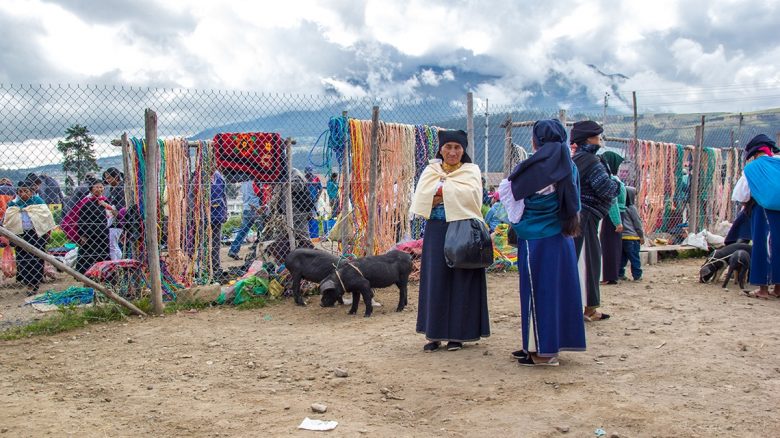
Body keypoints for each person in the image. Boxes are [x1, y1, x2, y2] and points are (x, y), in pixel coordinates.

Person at [499, 119, 585, 366]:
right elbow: (574, 204)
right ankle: (545, 345)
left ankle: (544, 353)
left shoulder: (534, 168)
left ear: (536, 141)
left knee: (538, 293)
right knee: (559, 291)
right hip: (562, 238)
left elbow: (512, 196)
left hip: (537, 240)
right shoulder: (569, 167)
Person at [410, 129, 490, 352]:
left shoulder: (471, 171)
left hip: (462, 230)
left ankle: (458, 334)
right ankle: (433, 334)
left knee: (461, 279)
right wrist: (446, 193)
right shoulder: (430, 170)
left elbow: (472, 197)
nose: (452, 152)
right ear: (441, 149)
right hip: (436, 231)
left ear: (463, 150)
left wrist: (441, 193)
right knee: (436, 280)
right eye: (448, 147)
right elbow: (422, 197)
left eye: (457, 147)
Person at [570, 120, 620, 321]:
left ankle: (581, 307)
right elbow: (606, 189)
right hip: (587, 217)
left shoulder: (575, 160)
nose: (600, 140)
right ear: (589, 139)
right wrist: (617, 184)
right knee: (588, 261)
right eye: (598, 136)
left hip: (576, 216)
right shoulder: (592, 162)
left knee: (579, 260)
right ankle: (588, 309)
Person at [733, 134, 780, 299]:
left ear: (754, 152)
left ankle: (763, 289)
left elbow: (741, 194)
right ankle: (779, 289)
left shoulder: (753, 168)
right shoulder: (778, 162)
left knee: (762, 247)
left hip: (762, 210)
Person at [2, 180, 56, 295]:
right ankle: (29, 282)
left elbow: (46, 218)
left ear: (31, 192)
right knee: (23, 259)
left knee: (37, 258)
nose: (23, 194)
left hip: (36, 235)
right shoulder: (13, 205)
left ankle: (34, 283)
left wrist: (47, 233)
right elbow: (8, 220)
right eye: (20, 191)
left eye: (26, 191)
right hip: (20, 235)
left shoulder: (38, 202)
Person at [73, 178, 114, 274]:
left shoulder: (105, 201)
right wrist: (82, 235)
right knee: (88, 259)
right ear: (91, 188)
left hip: (103, 236)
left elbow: (112, 215)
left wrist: (106, 205)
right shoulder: (85, 202)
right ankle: (87, 278)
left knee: (102, 257)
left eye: (101, 187)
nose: (99, 189)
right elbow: (81, 220)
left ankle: (102, 276)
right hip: (89, 237)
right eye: (97, 187)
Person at [599, 151, 626, 285]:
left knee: (610, 246)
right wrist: (618, 221)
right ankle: (611, 275)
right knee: (612, 246)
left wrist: (617, 221)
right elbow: (613, 202)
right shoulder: (615, 180)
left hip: (614, 216)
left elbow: (613, 202)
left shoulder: (613, 180)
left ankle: (609, 276)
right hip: (615, 216)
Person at [228, 179, 263, 260]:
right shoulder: (257, 180)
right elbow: (261, 194)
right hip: (257, 208)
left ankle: (233, 250)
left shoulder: (244, 182)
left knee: (243, 231)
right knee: (262, 231)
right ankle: (260, 251)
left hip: (246, 208)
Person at [619, 186, 644, 282]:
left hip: (622, 237)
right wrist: (641, 236)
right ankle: (637, 275)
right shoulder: (632, 208)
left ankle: (620, 274)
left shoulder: (621, 207)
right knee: (634, 257)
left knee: (622, 257)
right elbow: (637, 223)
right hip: (632, 237)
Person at [102, 168, 125, 260]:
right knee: (113, 245)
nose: (108, 180)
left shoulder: (120, 188)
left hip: (118, 220)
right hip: (113, 219)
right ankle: (118, 263)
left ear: (116, 177)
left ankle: (116, 264)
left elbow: (120, 206)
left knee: (113, 245)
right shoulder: (113, 188)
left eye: (109, 178)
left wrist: (107, 206)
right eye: (106, 178)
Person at [210, 170, 228, 277]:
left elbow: (224, 197)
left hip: (218, 215)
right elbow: (192, 197)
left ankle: (216, 265)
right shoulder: (199, 176)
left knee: (216, 242)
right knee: (205, 242)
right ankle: (206, 266)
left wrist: (225, 212)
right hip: (204, 217)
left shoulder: (220, 178)